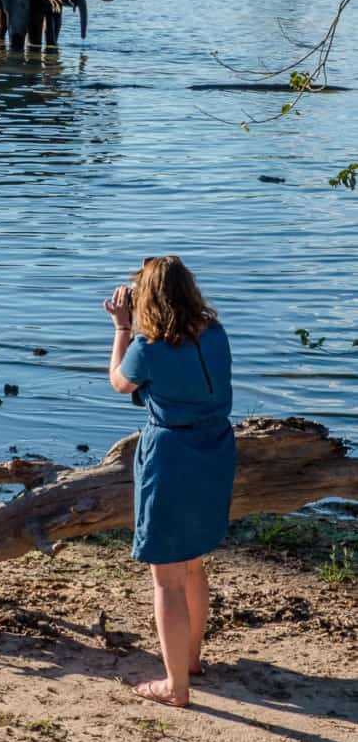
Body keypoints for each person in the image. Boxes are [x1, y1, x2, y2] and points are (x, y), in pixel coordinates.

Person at [104, 255, 236, 709]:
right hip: (216, 450)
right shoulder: (215, 334)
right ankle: (191, 659)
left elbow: (120, 383)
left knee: (167, 579)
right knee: (193, 564)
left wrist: (122, 327)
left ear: (148, 298)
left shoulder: (148, 347)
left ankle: (175, 685)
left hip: (171, 456)